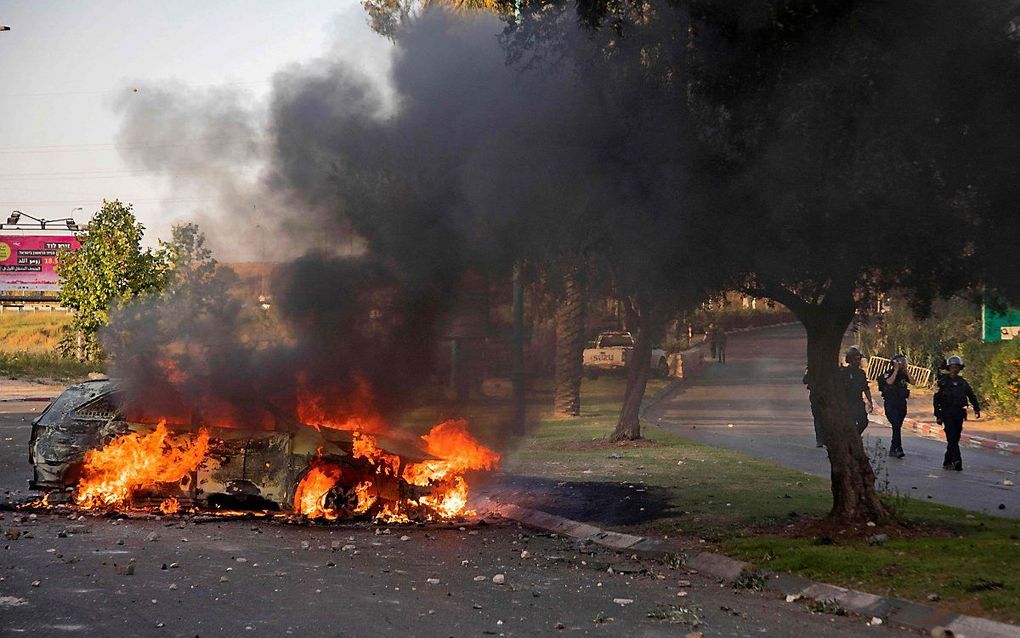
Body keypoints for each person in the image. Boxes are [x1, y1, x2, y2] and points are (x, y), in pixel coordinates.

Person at [933, 355, 980, 471]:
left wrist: (977, 409)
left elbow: (971, 395)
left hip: (959, 413)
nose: (955, 369)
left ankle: (947, 461)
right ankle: (957, 461)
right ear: (949, 368)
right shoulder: (942, 382)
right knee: (951, 438)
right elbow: (936, 400)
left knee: (955, 438)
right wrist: (938, 416)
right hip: (946, 413)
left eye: (957, 367)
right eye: (953, 367)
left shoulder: (962, 382)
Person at [878, 354, 912, 458]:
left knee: (897, 426)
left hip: (901, 403)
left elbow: (913, 382)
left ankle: (893, 448)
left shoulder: (903, 375)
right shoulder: (888, 374)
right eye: (900, 362)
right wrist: (895, 370)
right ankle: (898, 448)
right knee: (896, 425)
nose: (902, 364)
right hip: (890, 403)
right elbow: (889, 382)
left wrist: (906, 371)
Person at [841, 346, 873, 434]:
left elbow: (866, 388)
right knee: (849, 423)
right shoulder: (843, 372)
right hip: (846, 402)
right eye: (855, 359)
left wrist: (870, 401)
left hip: (858, 401)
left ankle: (854, 437)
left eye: (859, 359)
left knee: (863, 422)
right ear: (850, 360)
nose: (858, 361)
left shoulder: (861, 373)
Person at [803, 366, 824, 447]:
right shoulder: (811, 368)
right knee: (818, 417)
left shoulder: (829, 366)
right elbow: (805, 380)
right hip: (816, 395)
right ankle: (820, 439)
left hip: (828, 395)